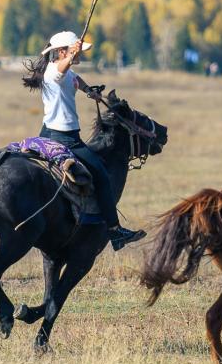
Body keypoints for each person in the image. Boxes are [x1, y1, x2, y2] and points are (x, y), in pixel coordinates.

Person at [22, 30, 145, 250]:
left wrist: (89, 91)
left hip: (47, 132)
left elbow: (74, 78)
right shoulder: (55, 72)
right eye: (74, 52)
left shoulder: (64, 72)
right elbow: (63, 71)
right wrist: (71, 55)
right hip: (65, 138)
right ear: (61, 52)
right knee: (102, 175)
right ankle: (115, 232)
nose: (80, 55)